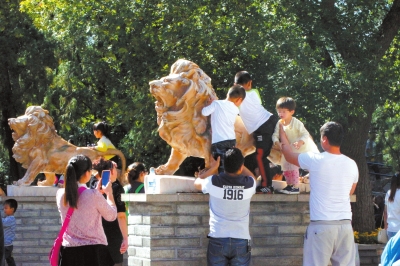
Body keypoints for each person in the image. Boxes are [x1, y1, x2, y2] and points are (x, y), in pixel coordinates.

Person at [279, 121, 358, 266]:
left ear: (324, 139)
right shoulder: (352, 164)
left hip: (321, 225)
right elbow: (349, 192)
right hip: (345, 226)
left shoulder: (315, 159)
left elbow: (288, 155)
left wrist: (282, 133)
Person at [194, 148, 256, 266]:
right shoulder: (249, 185)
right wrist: (241, 165)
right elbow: (252, 177)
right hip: (241, 239)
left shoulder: (213, 181)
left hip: (218, 237)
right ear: (241, 166)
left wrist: (214, 167)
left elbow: (197, 183)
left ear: (223, 165)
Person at [56, 155, 117, 266]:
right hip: (94, 253)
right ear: (87, 173)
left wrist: (96, 194)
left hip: (69, 253)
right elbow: (111, 215)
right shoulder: (92, 195)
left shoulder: (60, 194)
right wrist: (109, 194)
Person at [234, 71, 278, 194]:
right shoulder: (254, 92)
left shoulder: (237, 98)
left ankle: (267, 186)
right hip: (269, 121)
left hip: (263, 126)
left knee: (260, 155)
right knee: (263, 154)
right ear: (250, 83)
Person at [271, 97, 319, 194]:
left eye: (284, 112)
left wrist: (300, 142)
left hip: (301, 148)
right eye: (279, 111)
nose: (281, 114)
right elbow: (275, 135)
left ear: (292, 112)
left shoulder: (296, 122)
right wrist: (277, 142)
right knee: (286, 165)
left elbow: (305, 134)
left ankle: (295, 186)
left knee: (293, 165)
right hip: (289, 148)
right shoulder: (279, 123)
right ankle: (289, 185)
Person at [92, 158, 128, 266]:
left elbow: (94, 175)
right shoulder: (116, 188)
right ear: (111, 171)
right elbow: (121, 216)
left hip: (95, 237)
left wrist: (103, 166)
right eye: (115, 170)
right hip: (113, 237)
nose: (117, 172)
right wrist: (126, 238)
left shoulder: (92, 186)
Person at [201, 85, 246, 173]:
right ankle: (230, 182)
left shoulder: (217, 104)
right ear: (239, 100)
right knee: (230, 164)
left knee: (221, 166)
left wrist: (210, 104)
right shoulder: (236, 110)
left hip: (219, 141)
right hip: (232, 140)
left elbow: (204, 112)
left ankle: (223, 184)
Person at [384, 172, 400, 241]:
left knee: (391, 251)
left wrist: (385, 226)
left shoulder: (389, 193)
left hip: (390, 228)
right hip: (398, 228)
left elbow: (385, 212)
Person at [2, 199, 17, 266]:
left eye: (6, 208)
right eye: (4, 208)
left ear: (12, 209)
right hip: (6, 245)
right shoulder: (7, 218)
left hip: (6, 246)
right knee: (9, 260)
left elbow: (3, 223)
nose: (4, 210)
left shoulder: (11, 219)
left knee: (2, 259)